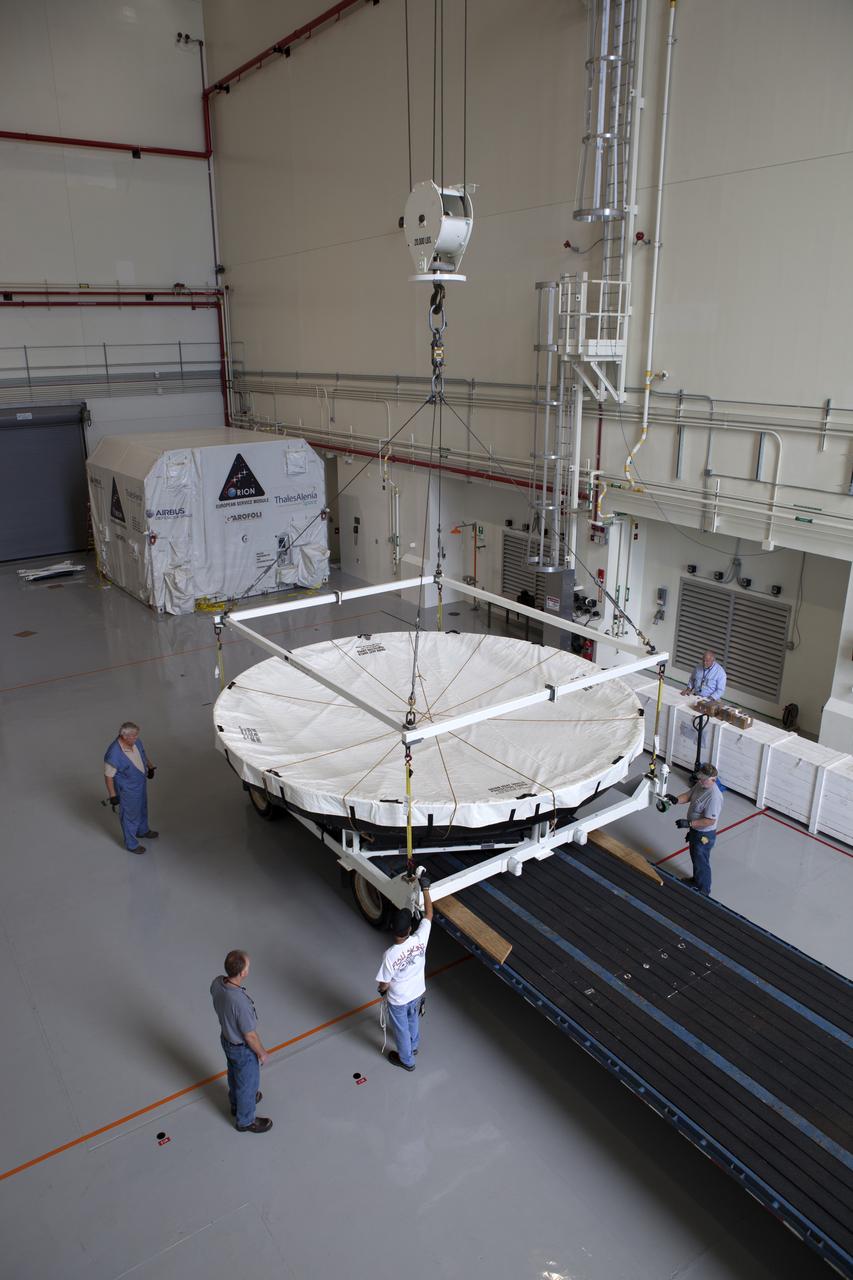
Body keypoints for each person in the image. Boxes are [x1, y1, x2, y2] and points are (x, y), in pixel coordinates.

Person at [210, 950, 273, 1133]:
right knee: (248, 1084)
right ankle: (245, 1121)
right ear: (243, 972)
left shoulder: (217, 982)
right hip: (241, 1048)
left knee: (234, 1073)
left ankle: (236, 1103)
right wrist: (262, 1053)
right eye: (248, 967)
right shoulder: (239, 1002)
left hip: (226, 1039)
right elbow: (250, 1035)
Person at [376, 881, 433, 1071]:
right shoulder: (420, 938)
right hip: (417, 992)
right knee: (413, 1019)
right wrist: (426, 888)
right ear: (409, 929)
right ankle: (414, 1045)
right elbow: (429, 914)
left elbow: (384, 983)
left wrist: (381, 990)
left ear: (394, 931)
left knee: (400, 1029)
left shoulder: (390, 955)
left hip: (399, 999)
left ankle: (407, 1061)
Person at [667, 763, 724, 895]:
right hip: (695, 831)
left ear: (713, 780)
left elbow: (710, 821)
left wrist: (689, 823)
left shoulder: (714, 797)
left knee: (701, 861)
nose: (700, 780)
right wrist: (676, 800)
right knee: (696, 858)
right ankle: (696, 880)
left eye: (703, 779)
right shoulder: (701, 784)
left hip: (704, 834)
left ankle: (704, 890)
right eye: (700, 778)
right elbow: (688, 795)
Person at [104, 721, 159, 854]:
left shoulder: (135, 742)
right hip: (127, 789)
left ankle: (143, 830)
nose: (136, 738)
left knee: (142, 807)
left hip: (139, 783)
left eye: (136, 735)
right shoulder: (113, 754)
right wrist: (113, 795)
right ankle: (132, 844)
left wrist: (150, 766)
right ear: (124, 736)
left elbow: (142, 754)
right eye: (134, 736)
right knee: (129, 815)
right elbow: (108, 776)